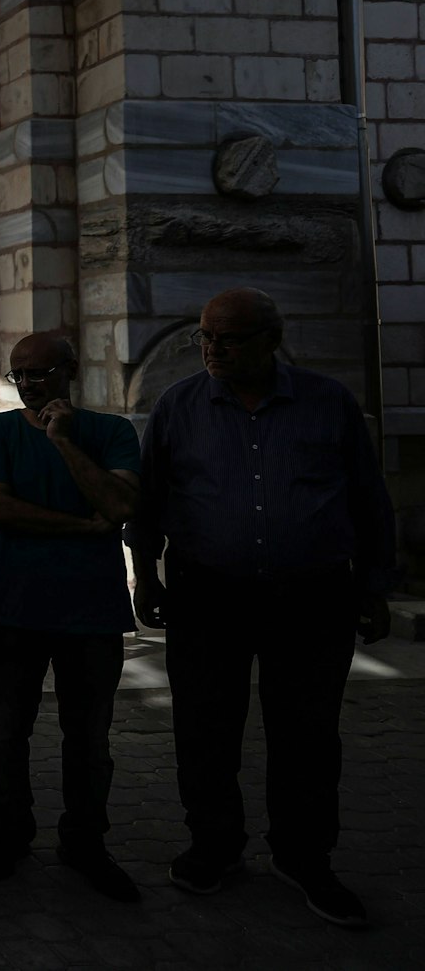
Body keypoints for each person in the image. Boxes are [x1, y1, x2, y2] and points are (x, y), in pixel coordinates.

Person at [130, 287, 395, 927]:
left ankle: (304, 857)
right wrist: (146, 576)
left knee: (305, 734)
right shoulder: (179, 405)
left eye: (229, 338)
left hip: (312, 598)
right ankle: (215, 846)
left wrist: (376, 585)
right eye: (205, 336)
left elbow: (367, 499)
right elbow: (150, 500)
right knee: (205, 728)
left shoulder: (327, 404)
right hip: (208, 595)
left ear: (271, 341)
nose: (213, 349)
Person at [0, 333, 141, 901]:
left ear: (70, 370)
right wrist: (81, 526)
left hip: (91, 614)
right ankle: (9, 833)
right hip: (15, 609)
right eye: (19, 375)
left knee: (89, 739)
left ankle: (85, 843)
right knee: (6, 733)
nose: (28, 385)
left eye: (39, 374)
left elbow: (119, 507)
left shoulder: (111, 432)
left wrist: (64, 442)